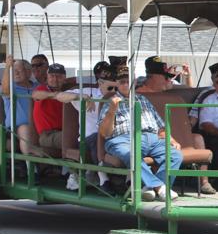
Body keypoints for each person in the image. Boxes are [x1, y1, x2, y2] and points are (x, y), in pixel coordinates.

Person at [98, 64, 183, 201]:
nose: (126, 85)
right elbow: (105, 133)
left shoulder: (143, 99)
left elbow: (160, 127)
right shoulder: (110, 102)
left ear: (135, 81)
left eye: (128, 81)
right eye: (122, 82)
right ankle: (160, 188)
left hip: (151, 138)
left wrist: (171, 139)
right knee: (131, 154)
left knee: (175, 155)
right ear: (117, 84)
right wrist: (112, 110)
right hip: (123, 139)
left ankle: (150, 188)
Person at [138, 56, 216, 195]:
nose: (169, 80)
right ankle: (156, 186)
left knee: (198, 138)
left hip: (173, 135)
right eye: (165, 77)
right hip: (151, 136)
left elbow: (187, 88)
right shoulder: (138, 96)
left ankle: (203, 181)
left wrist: (187, 76)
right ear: (152, 77)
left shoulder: (168, 93)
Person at [54, 61, 118, 189]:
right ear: (99, 81)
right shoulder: (89, 91)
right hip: (89, 138)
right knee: (97, 139)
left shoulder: (120, 95)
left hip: (114, 135)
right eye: (105, 81)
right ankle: (103, 178)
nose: (111, 85)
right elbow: (60, 96)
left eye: (112, 81)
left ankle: (129, 179)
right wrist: (80, 96)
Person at [1, 56, 37, 154]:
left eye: (19, 70)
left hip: (37, 125)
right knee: (25, 129)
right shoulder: (12, 87)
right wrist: (8, 67)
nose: (16, 73)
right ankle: (30, 165)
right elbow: (5, 90)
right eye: (14, 70)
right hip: (15, 127)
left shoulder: (37, 87)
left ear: (29, 72)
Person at [31, 63, 67, 151]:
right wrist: (55, 95)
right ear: (47, 77)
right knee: (72, 138)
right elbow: (35, 95)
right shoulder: (42, 89)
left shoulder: (67, 93)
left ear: (64, 78)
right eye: (52, 76)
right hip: (47, 135)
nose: (55, 79)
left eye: (59, 76)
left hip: (63, 131)